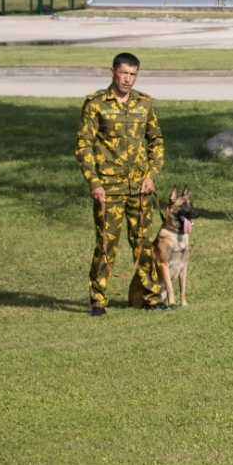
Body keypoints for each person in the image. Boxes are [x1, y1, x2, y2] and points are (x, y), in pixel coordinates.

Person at [75, 51, 165, 315]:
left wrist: (151, 175)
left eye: (133, 74)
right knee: (106, 245)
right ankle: (98, 301)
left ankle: (152, 297)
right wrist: (94, 183)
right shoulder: (95, 104)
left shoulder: (144, 104)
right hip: (108, 189)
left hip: (139, 188)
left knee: (143, 244)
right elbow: (83, 146)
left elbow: (156, 141)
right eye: (124, 73)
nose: (128, 79)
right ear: (113, 72)